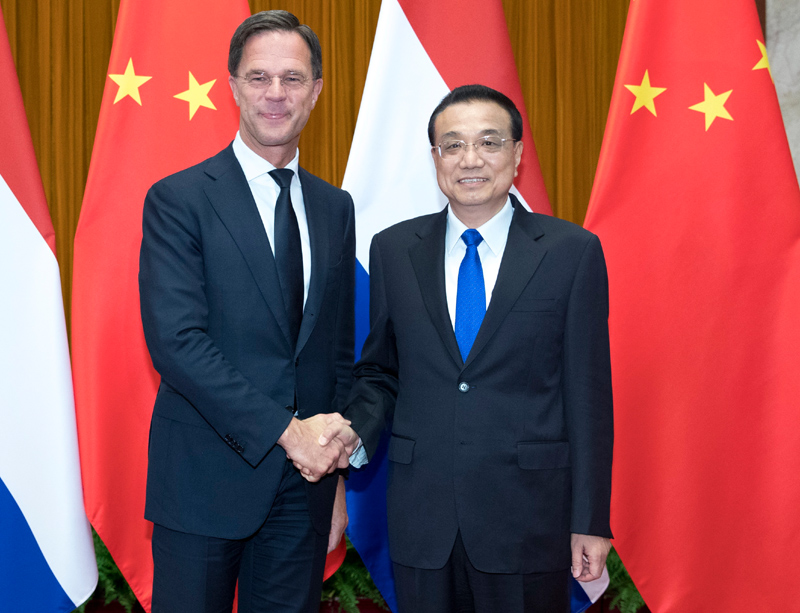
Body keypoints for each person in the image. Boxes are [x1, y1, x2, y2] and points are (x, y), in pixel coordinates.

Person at [313, 84, 614, 612]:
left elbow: (587, 397)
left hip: (529, 519)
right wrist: (352, 431)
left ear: (517, 155)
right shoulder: (393, 249)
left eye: (489, 142)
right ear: (435, 158)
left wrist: (590, 520)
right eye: (452, 145)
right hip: (423, 519)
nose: (470, 159)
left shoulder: (572, 252)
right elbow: (381, 371)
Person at [138, 10, 355, 613]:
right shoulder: (179, 199)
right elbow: (178, 344)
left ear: (316, 91)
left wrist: (335, 478)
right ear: (232, 86)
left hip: (304, 492)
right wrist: (290, 434)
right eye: (259, 77)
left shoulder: (335, 208)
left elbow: (335, 353)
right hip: (204, 482)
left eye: (292, 78)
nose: (275, 94)